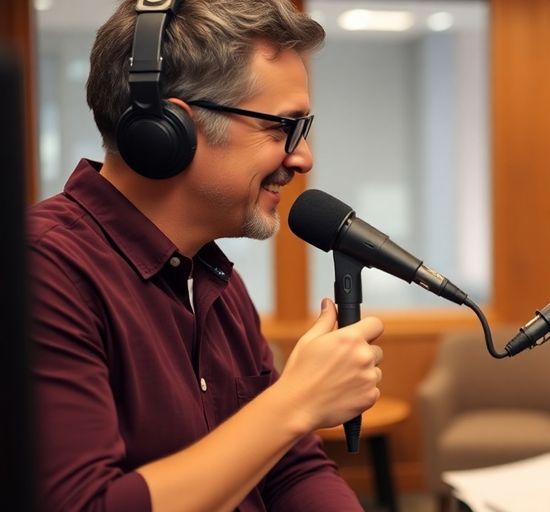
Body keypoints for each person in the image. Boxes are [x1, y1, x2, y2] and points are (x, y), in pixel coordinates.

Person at [28, 1, 383, 510]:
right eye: (282, 127)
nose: (303, 158)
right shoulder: (42, 273)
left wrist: (291, 413)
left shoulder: (213, 277)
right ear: (168, 131)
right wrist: (296, 402)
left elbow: (291, 469)